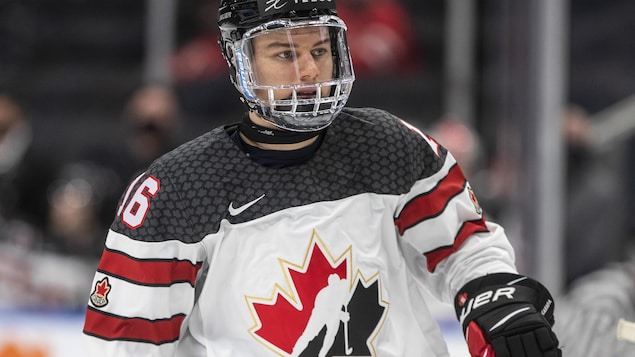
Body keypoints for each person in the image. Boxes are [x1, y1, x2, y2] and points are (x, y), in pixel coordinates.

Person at [82, 1, 562, 356]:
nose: (311, 69)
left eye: (319, 48)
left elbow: (465, 248)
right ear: (239, 62)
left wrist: (490, 295)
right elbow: (123, 343)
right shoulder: (178, 188)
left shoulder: (391, 145)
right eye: (285, 55)